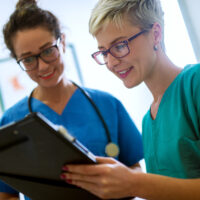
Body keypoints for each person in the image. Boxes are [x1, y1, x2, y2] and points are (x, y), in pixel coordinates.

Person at [0, 0, 144, 199]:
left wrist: (123, 182)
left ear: (63, 42)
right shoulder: (11, 122)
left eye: (48, 50)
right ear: (18, 60)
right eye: (28, 59)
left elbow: (136, 171)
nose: (42, 67)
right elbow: (7, 194)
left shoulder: (107, 104)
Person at [61, 0, 200, 199]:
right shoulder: (149, 119)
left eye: (119, 45)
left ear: (156, 34)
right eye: (103, 52)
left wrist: (134, 183)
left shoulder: (195, 84)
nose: (110, 62)